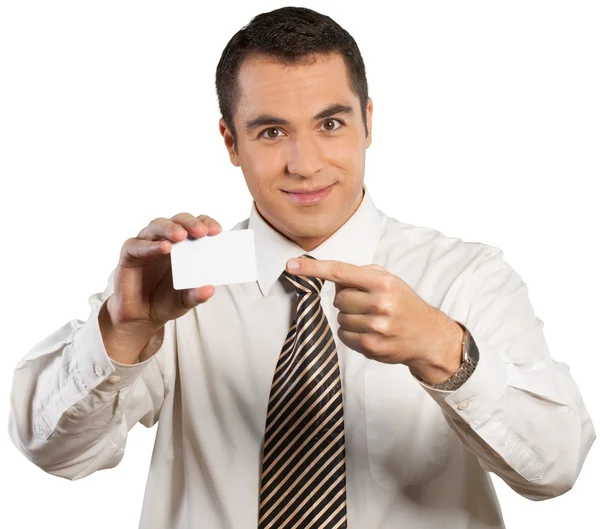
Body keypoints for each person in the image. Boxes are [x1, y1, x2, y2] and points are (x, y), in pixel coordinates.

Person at [8, 6, 595, 529]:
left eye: (330, 124)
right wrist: (125, 329)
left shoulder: (468, 277)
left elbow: (556, 469)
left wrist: (443, 349)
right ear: (230, 142)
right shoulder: (178, 282)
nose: (304, 163)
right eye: (270, 132)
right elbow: (56, 453)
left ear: (368, 121)